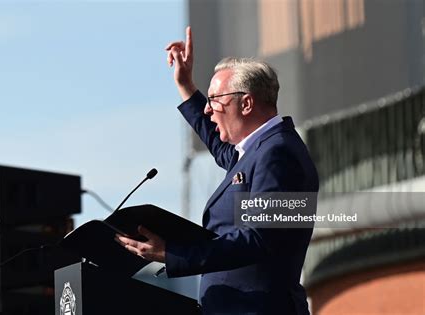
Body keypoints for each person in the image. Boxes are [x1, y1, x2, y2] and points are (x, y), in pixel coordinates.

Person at [115, 26, 319, 315]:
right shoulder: (259, 151)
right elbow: (217, 141)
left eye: (214, 101)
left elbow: (262, 238)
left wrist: (174, 254)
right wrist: (186, 85)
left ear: (246, 103)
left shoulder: (279, 153)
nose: (208, 110)